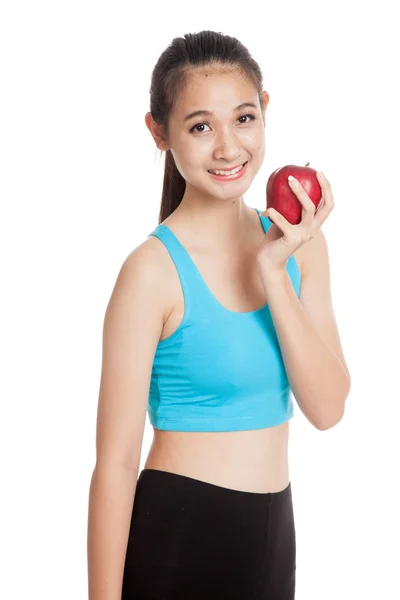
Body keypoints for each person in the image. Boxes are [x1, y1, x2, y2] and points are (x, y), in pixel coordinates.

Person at [87, 30, 351, 600]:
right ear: (159, 133)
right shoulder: (151, 272)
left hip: (275, 542)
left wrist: (274, 272)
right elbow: (114, 465)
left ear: (266, 112)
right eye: (201, 126)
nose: (229, 148)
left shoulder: (299, 245)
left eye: (244, 118)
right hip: (177, 545)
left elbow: (328, 409)